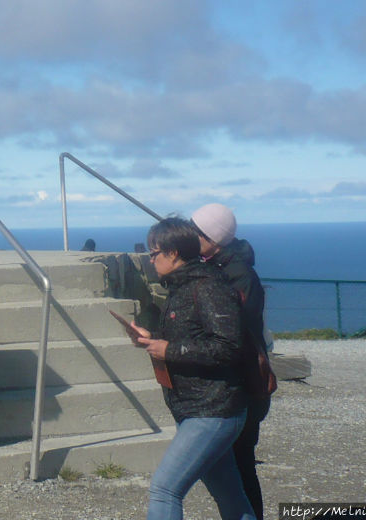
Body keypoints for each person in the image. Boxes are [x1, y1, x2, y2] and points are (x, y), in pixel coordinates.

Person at [129, 217, 256, 520]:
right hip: (198, 408)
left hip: (213, 409)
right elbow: (194, 339)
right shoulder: (183, 286)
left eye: (154, 253)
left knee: (164, 489)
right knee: (229, 495)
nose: (151, 260)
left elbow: (229, 347)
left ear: (173, 253)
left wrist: (170, 350)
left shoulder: (207, 287)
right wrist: (153, 341)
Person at [192, 203, 273, 519]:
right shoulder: (222, 268)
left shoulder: (239, 275)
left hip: (243, 384)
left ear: (213, 238)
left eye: (196, 232)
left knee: (241, 465)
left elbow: (235, 330)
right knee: (233, 467)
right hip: (233, 383)